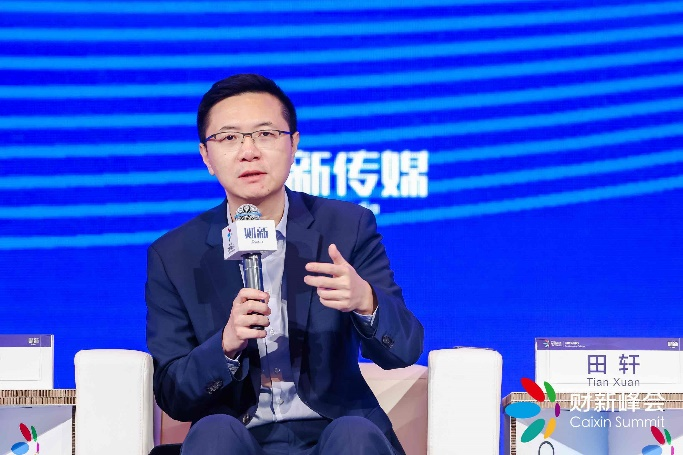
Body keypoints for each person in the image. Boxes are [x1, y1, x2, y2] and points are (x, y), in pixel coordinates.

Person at [145, 74, 424, 455]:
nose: (249, 152)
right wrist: (226, 346)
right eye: (229, 137)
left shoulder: (347, 227)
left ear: (293, 145)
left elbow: (404, 349)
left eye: (265, 134)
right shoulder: (175, 254)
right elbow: (172, 394)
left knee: (355, 436)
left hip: (333, 432)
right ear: (206, 157)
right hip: (236, 439)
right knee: (214, 435)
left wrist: (366, 301)